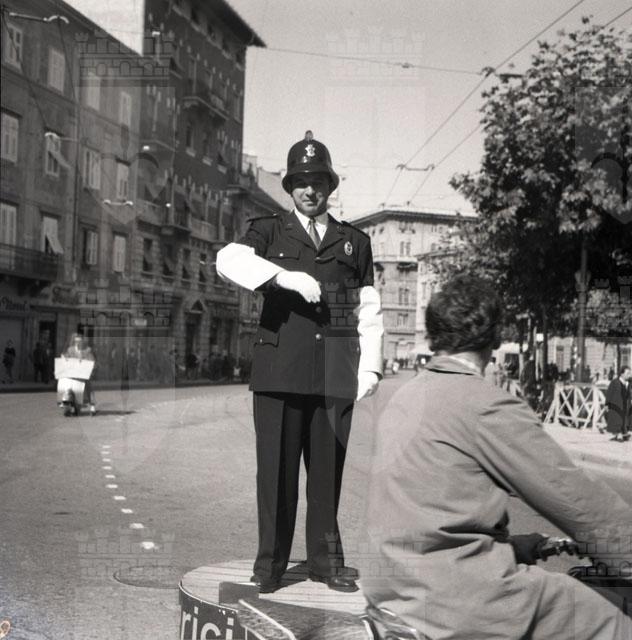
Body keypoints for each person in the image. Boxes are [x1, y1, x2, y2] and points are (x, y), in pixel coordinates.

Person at [360, 275, 632, 639]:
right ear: (495, 337)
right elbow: (578, 499)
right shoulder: (485, 404)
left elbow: (429, 514)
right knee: (614, 617)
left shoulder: (405, 398)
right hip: (456, 604)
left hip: (393, 591)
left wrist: (517, 546)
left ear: (433, 334)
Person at [217, 131, 383, 593]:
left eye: (319, 181)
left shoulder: (354, 242)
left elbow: (369, 307)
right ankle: (269, 566)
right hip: (279, 373)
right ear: (290, 186)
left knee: (327, 477)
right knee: (276, 475)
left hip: (334, 374)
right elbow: (228, 260)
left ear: (331, 186)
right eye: (301, 182)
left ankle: (326, 564)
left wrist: (370, 366)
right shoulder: (269, 231)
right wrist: (283, 277)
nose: (311, 190)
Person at [63, 333, 97, 415]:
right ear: (74, 342)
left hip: (84, 374)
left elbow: (92, 361)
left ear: (82, 342)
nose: (78, 343)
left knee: (88, 386)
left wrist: (88, 364)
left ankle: (92, 406)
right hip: (73, 374)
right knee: (67, 385)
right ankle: (68, 404)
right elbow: (66, 358)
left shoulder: (87, 350)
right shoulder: (70, 350)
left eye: (80, 342)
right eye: (76, 341)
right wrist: (64, 358)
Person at [605, 366, 631, 442]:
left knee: (624, 420)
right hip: (615, 405)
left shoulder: (628, 383)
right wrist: (607, 404)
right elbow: (609, 393)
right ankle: (618, 435)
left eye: (630, 373)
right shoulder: (614, 382)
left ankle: (623, 434)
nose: (629, 375)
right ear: (622, 374)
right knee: (616, 419)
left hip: (625, 405)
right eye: (627, 373)